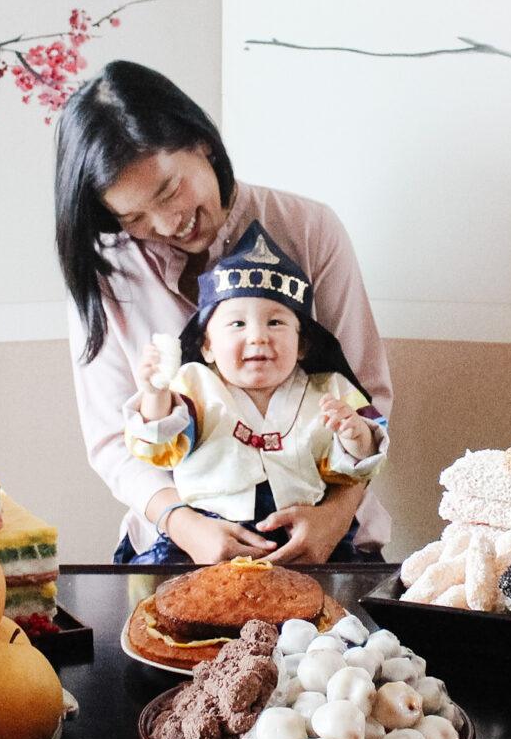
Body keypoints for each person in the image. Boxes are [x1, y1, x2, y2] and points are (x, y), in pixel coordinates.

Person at [54, 59, 393, 564]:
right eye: (133, 217)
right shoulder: (108, 273)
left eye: (169, 191)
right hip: (174, 547)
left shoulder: (308, 228)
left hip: (326, 543)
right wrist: (184, 524)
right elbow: (111, 441)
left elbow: (368, 393)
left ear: (203, 143)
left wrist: (335, 517)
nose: (167, 224)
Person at [122, 221, 388, 563]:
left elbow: (357, 465)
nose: (258, 336)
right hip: (209, 532)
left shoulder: (328, 390)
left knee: (345, 594)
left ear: (303, 343)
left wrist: (356, 436)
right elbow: (161, 447)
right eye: (237, 324)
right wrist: (154, 393)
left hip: (300, 535)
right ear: (206, 346)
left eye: (275, 322)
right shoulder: (195, 385)